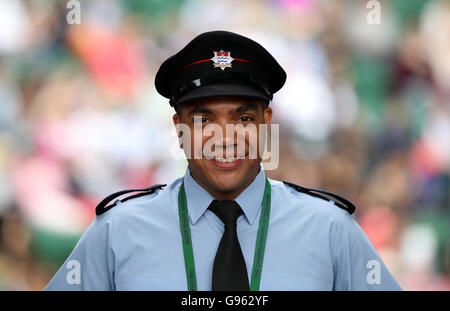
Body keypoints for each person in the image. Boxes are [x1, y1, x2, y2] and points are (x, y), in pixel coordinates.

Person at [44, 30, 402, 291]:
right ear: (179, 128)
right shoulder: (117, 232)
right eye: (203, 120)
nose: (225, 138)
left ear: (266, 124)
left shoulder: (331, 231)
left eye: (243, 119)